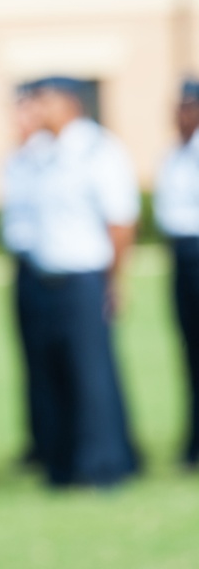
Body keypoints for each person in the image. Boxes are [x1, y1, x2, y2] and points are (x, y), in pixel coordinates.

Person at [22, 75, 139, 487]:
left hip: (84, 277)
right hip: (45, 279)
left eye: (43, 101)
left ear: (69, 102)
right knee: (53, 375)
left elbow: (121, 223)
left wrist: (113, 280)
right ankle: (63, 464)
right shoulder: (38, 153)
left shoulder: (97, 149)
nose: (35, 110)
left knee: (91, 375)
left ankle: (103, 465)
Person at [0, 81, 49, 468]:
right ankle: (49, 449)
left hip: (73, 274)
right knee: (38, 366)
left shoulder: (74, 153)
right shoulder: (19, 159)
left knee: (84, 371)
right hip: (28, 268)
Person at [153, 77, 199, 467]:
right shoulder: (175, 153)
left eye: (186, 106)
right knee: (190, 351)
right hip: (182, 255)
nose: (179, 114)